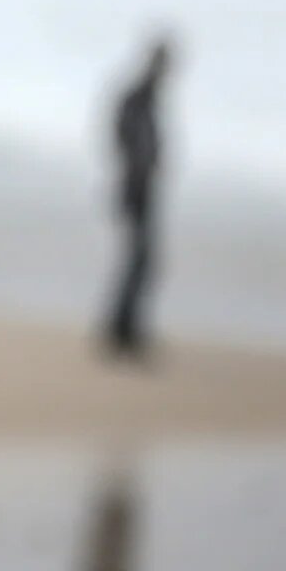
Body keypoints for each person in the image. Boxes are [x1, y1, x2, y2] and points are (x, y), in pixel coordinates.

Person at [102, 33, 175, 361]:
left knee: (142, 261)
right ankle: (120, 331)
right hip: (134, 187)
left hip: (141, 186)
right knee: (139, 259)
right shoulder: (137, 95)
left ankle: (125, 329)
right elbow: (121, 135)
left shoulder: (150, 97)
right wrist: (138, 167)